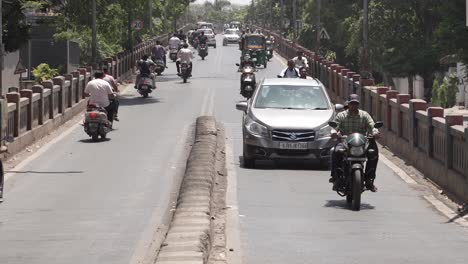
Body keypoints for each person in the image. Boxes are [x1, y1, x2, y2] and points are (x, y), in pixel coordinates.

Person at [330, 94, 380, 192]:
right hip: (345, 142)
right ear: (348, 104)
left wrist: (375, 132)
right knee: (335, 151)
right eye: (352, 103)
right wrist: (334, 133)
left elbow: (372, 125)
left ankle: (369, 180)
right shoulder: (341, 115)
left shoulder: (364, 115)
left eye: (356, 104)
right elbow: (334, 127)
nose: (354, 106)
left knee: (373, 153)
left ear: (358, 104)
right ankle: (336, 178)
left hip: (361, 143)